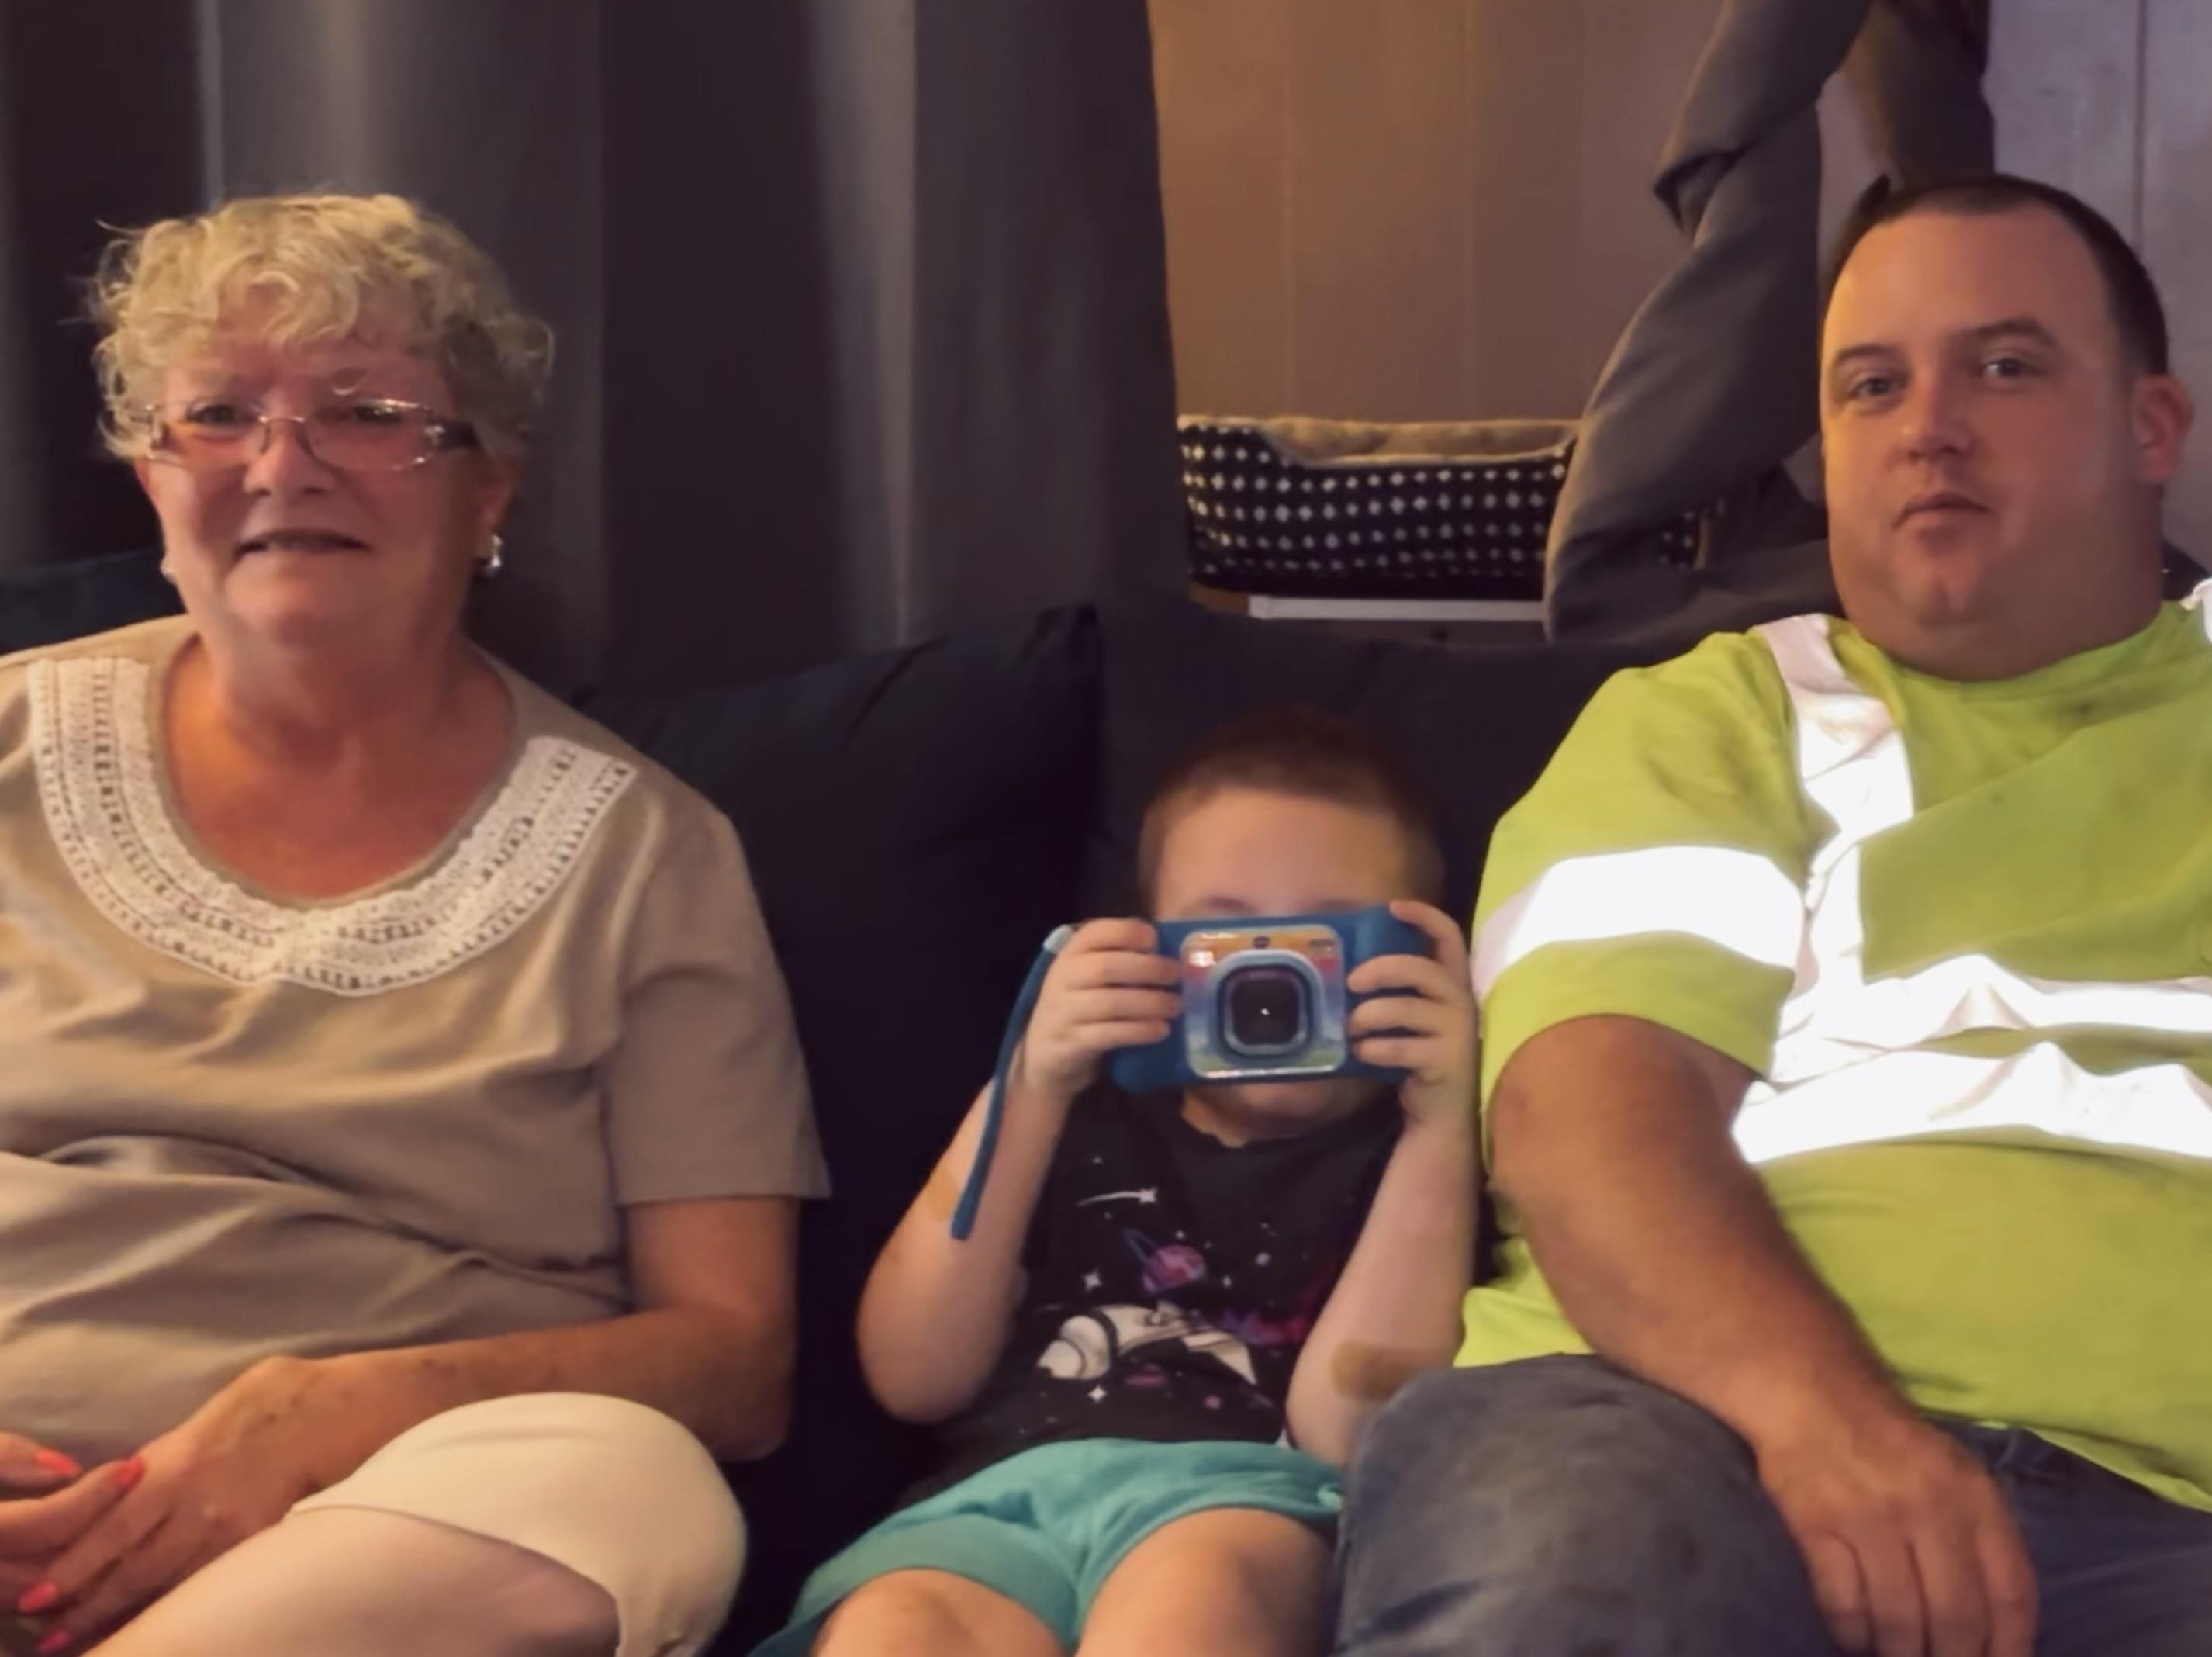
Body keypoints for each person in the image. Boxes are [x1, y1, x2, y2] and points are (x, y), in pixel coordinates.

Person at [1333, 172, 2212, 1657]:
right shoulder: (1717, 719)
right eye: (1871, 386)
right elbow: (1586, 1119)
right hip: (1683, 1438)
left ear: (2150, 429)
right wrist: (1836, 1429)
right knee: (1569, 1588)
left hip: (2169, 1503)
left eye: (2002, 364)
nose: (1927, 422)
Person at [0, 193, 828, 1657]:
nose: (284, 463)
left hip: (381, 1531)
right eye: (219, 413)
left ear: (488, 487)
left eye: (368, 412)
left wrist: (338, 1407)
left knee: (630, 1492)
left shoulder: (648, 855)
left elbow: (736, 1359)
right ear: (151, 475)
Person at [756, 710, 1478, 1657]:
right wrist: (1031, 1080)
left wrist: (1441, 1121)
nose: (1268, 974)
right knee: (891, 1630)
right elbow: (913, 1373)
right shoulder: (1077, 1111)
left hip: (1244, 1496)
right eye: (1225, 934)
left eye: (1322, 938)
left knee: (1188, 1602)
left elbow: (1350, 1428)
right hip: (991, 1503)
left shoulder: (1406, 1158)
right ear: (1147, 950)